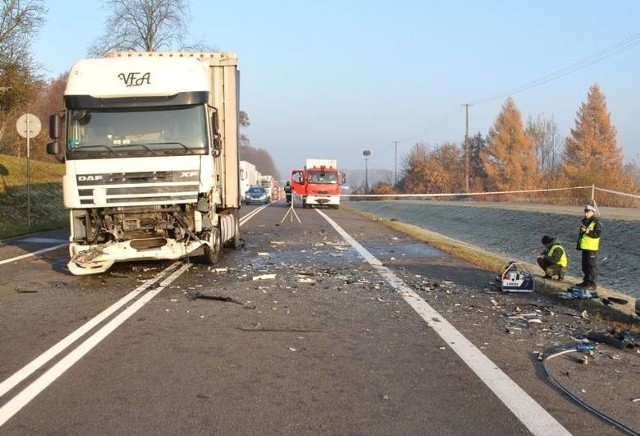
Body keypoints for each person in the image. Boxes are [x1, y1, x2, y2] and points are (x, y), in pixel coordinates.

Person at [576, 204, 602, 290]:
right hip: (585, 247)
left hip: (592, 248)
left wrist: (587, 231)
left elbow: (597, 234)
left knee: (591, 266)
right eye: (585, 212)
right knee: (585, 265)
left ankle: (592, 284)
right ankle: (586, 281)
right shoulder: (585, 221)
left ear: (592, 212)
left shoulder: (596, 222)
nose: (586, 214)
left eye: (587, 212)